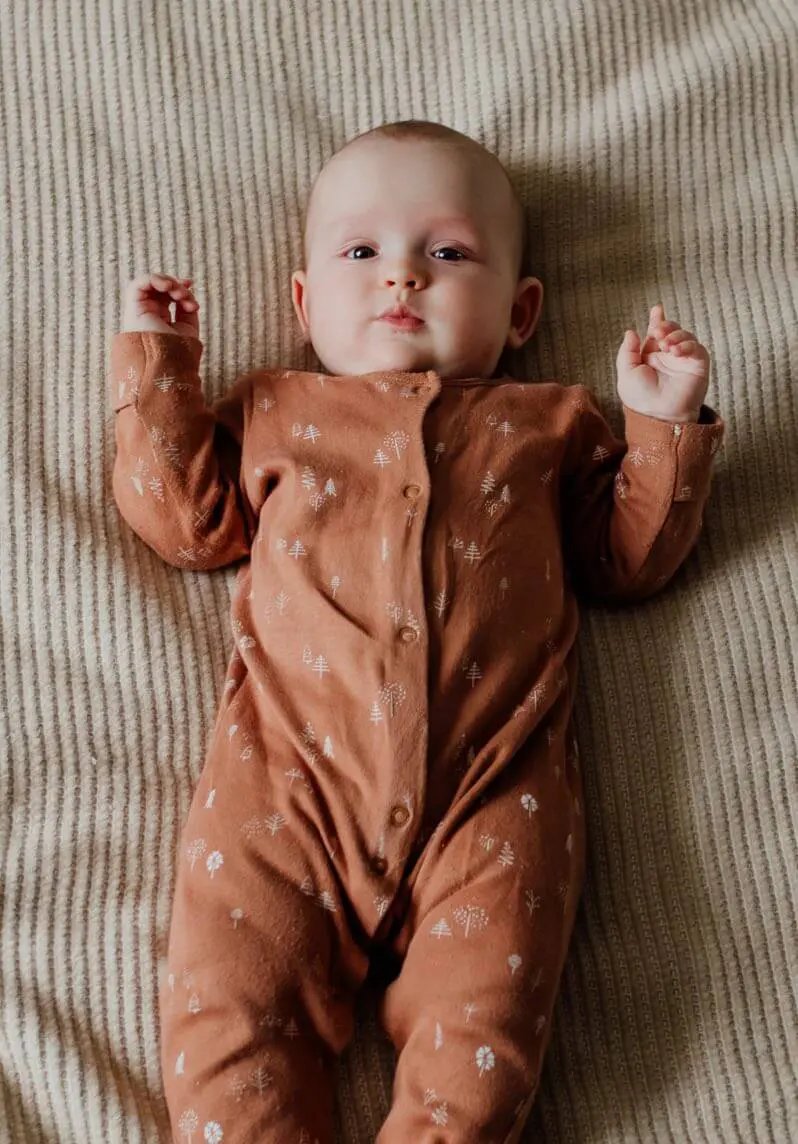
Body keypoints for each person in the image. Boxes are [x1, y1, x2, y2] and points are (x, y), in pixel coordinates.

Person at [109, 119, 725, 1143]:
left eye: (448, 252)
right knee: (230, 1015)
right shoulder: (275, 410)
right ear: (305, 304)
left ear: (521, 311)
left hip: (492, 792)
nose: (402, 276)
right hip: (286, 788)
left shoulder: (550, 425)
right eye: (361, 252)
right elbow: (183, 520)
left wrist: (662, 425)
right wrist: (158, 366)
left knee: (483, 1042)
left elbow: (629, 560)